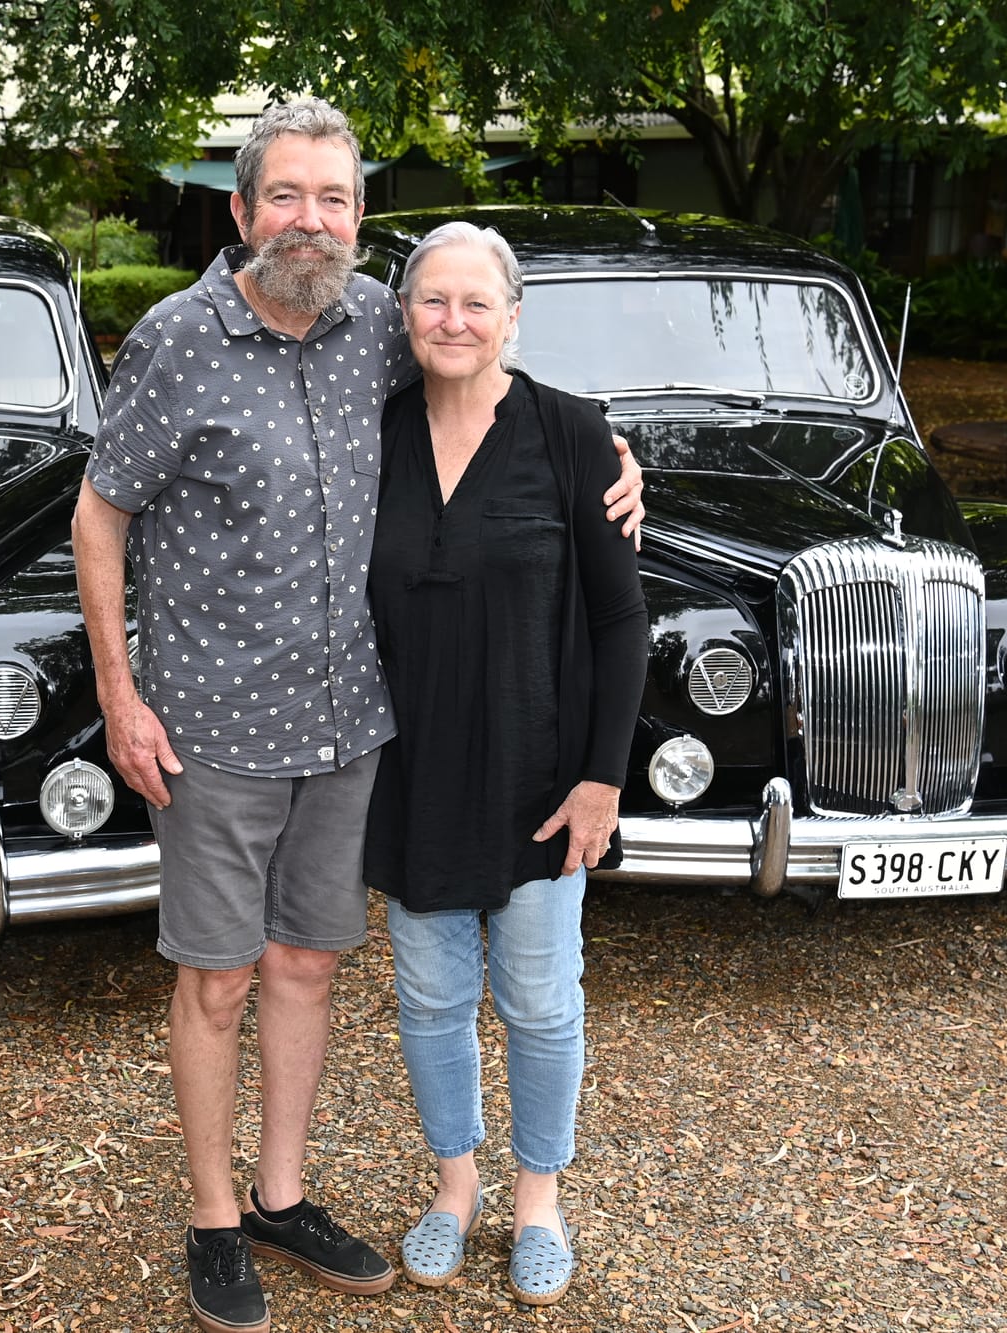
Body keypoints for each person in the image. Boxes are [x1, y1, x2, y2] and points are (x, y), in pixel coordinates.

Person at [73, 100, 642, 1333]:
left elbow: (479, 354)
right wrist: (119, 697)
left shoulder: (370, 323)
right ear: (239, 210)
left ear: (358, 218)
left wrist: (608, 445)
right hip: (210, 732)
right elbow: (99, 515)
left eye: (333, 200)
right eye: (286, 196)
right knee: (216, 981)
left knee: (308, 968)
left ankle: (280, 1196)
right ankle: (215, 1217)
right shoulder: (177, 340)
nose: (309, 220)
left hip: (348, 730)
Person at [363, 221, 648, 1307]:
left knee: (537, 1000)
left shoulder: (574, 436)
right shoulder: (371, 434)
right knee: (430, 999)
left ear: (512, 318)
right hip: (412, 771)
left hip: (540, 776)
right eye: (431, 301)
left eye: (475, 303)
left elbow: (622, 623)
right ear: (403, 317)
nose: (452, 320)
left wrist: (601, 777)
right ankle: (454, 1187)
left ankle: (538, 1201)